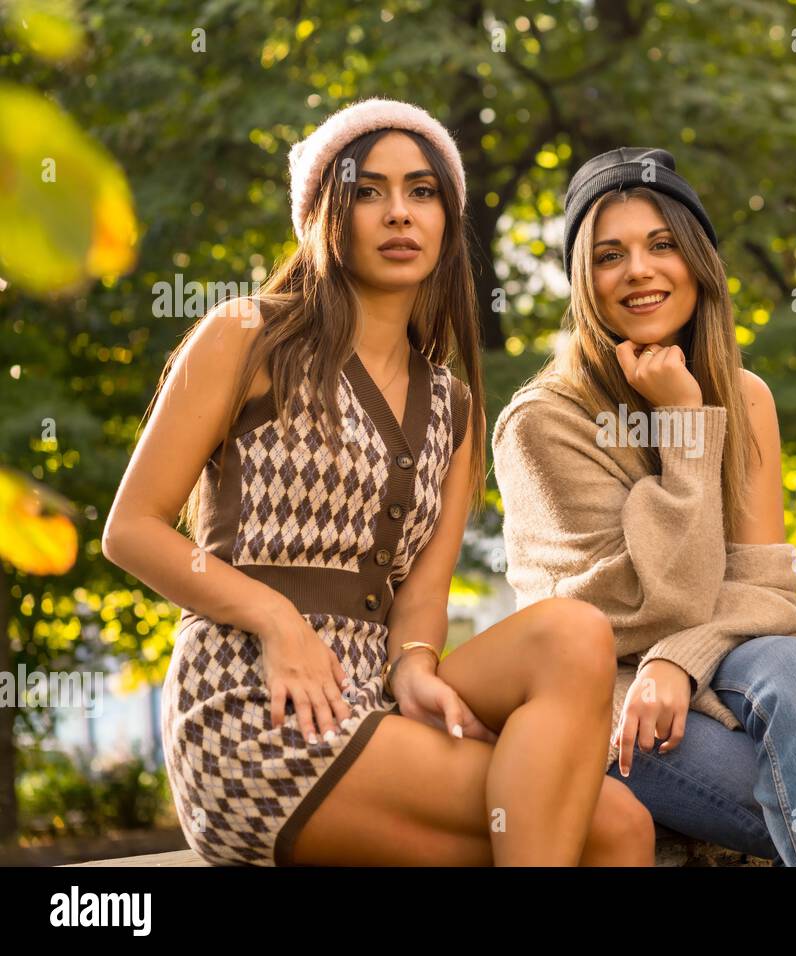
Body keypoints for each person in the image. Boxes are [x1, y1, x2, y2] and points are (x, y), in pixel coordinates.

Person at [103, 99, 653, 866]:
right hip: (249, 708)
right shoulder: (247, 337)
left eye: (423, 192)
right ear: (328, 212)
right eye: (369, 191)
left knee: (578, 647)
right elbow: (131, 529)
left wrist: (415, 665)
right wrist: (276, 619)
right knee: (605, 829)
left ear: (446, 220)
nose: (400, 213)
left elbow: (422, 598)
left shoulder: (453, 408)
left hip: (371, 699)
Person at [492, 147, 796, 866]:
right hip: (609, 702)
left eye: (662, 245)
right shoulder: (542, 423)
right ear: (584, 282)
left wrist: (679, 662)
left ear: (699, 262)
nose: (639, 271)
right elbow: (644, 608)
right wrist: (683, 427)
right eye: (609, 255)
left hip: (719, 671)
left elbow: (765, 592)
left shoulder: (746, 397)